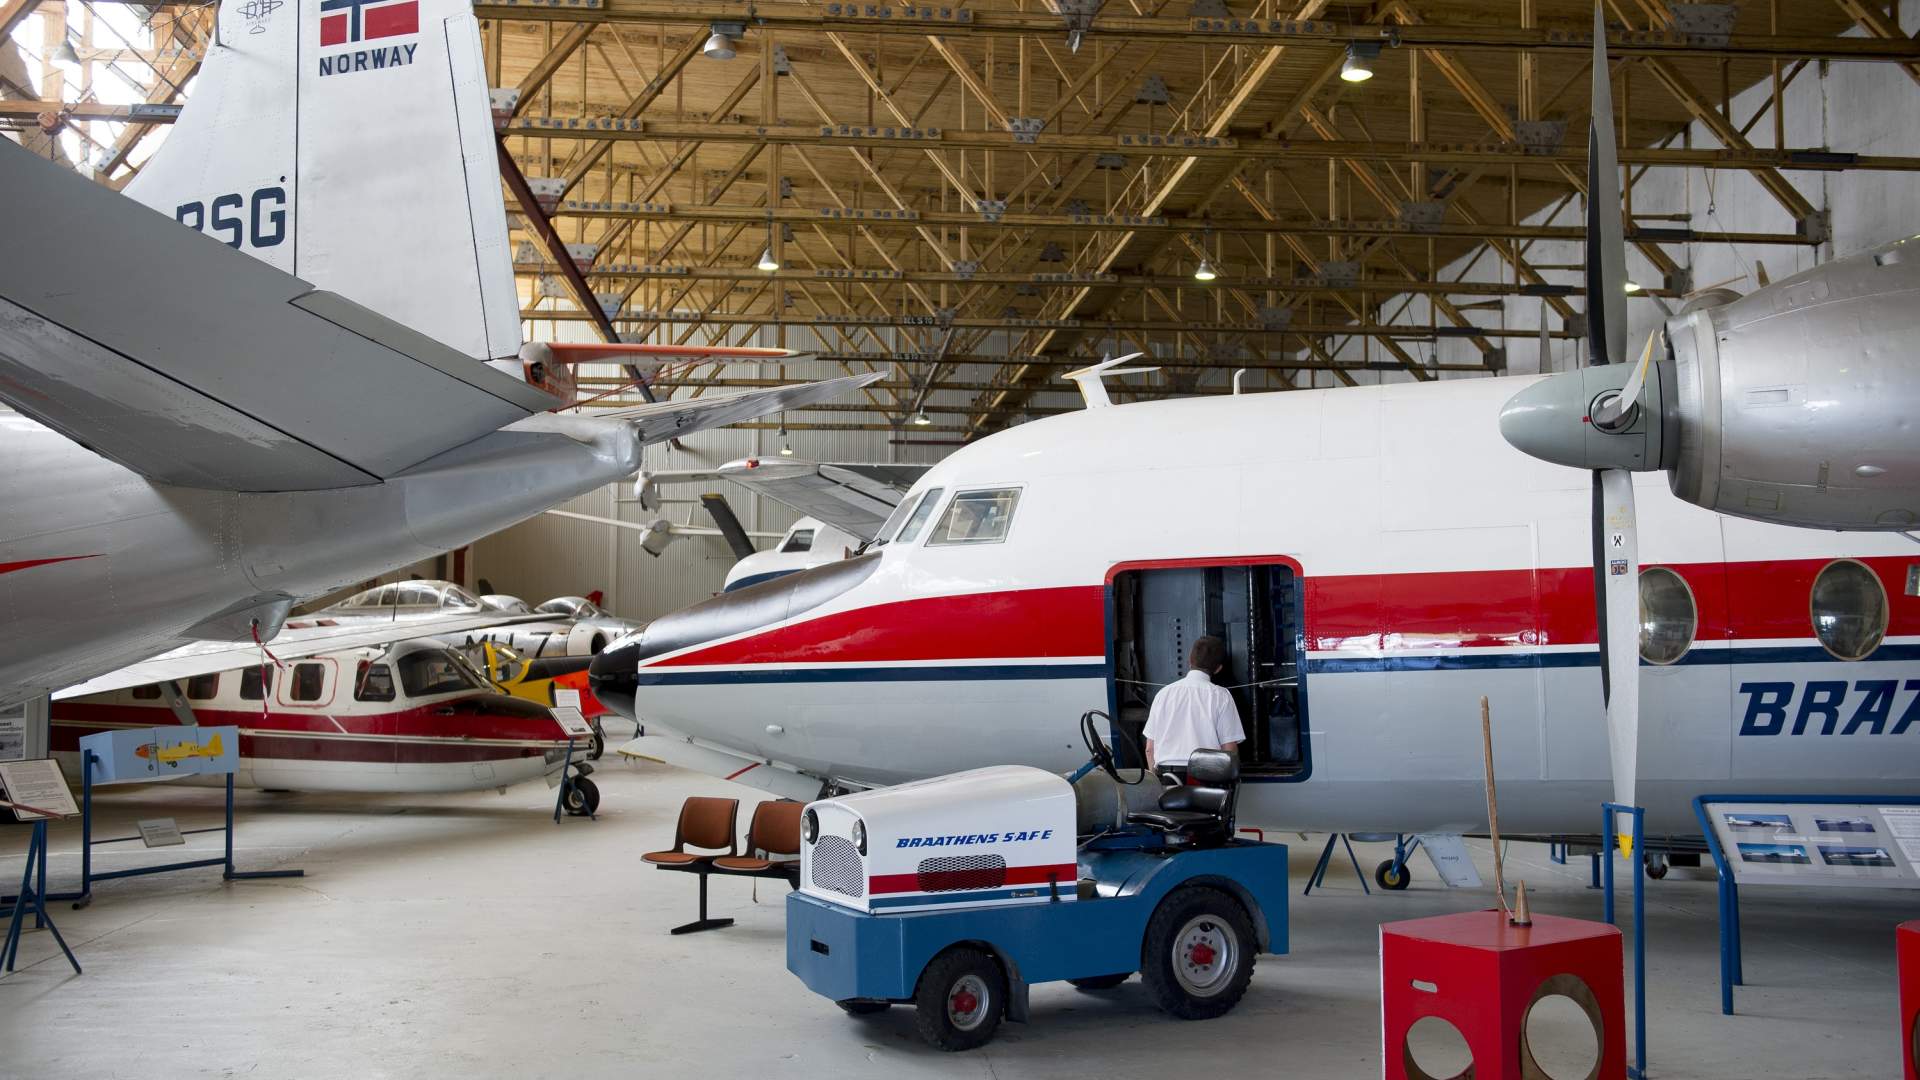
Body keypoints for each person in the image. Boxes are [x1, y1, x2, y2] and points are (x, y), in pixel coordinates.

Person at [1142, 635, 1244, 782]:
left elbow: (1150, 749)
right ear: (1218, 669)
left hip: (1167, 778)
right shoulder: (1221, 696)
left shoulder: (1163, 694)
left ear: (1189, 661)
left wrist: (1156, 781)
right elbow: (1229, 750)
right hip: (1206, 776)